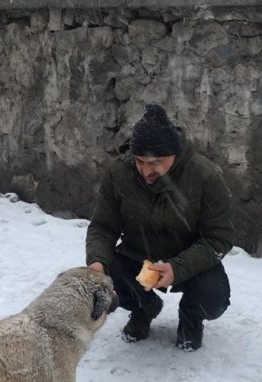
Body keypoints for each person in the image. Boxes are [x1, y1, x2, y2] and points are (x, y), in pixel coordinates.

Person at [86, 103, 234, 351]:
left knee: (214, 298)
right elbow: (102, 226)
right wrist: (96, 265)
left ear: (174, 155)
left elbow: (218, 239)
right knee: (108, 275)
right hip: (136, 257)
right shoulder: (119, 173)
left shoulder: (205, 176)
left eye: (156, 162)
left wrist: (177, 268)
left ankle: (191, 318)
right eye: (140, 161)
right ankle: (144, 308)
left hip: (188, 260)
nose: (146, 170)